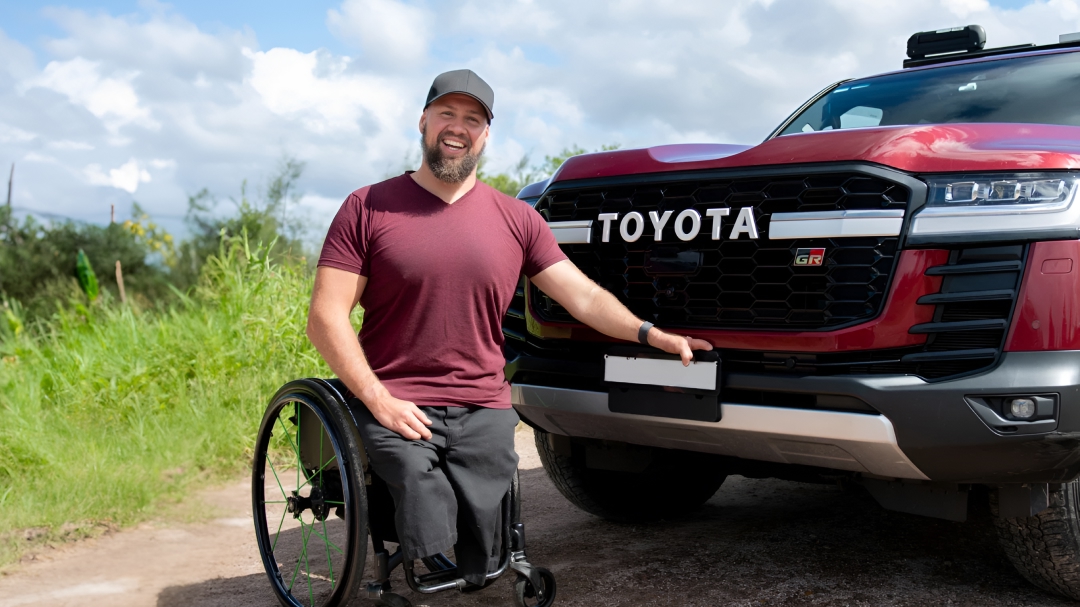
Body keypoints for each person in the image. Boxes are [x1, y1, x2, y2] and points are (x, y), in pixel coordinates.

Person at [306, 68, 712, 587]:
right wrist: (377, 400)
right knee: (415, 483)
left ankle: (469, 562)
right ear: (423, 121)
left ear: (486, 134)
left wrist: (651, 334)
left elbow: (582, 294)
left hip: (482, 402)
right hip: (398, 400)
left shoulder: (515, 218)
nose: (458, 127)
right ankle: (417, 559)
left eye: (472, 119)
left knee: (485, 545)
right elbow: (326, 317)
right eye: (447, 114)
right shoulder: (368, 207)